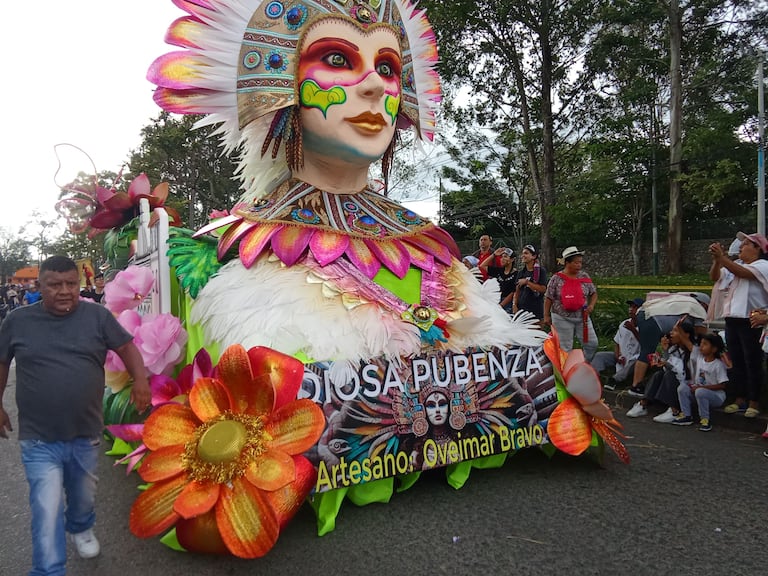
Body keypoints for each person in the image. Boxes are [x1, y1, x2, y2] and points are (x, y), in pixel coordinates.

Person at [0, 255, 151, 575]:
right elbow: (2, 362)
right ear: (39, 286)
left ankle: (81, 526)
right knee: (46, 506)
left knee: (82, 495)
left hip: (85, 432)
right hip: (38, 437)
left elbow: (126, 347)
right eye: (55, 285)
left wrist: (140, 380)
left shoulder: (96, 316)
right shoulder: (18, 321)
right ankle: (48, 570)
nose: (65, 291)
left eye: (71, 283)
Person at [709, 232, 768, 418]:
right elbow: (715, 276)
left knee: (752, 362)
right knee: (736, 361)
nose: (741, 247)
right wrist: (717, 261)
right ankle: (739, 399)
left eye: (746, 244)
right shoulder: (735, 265)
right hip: (733, 319)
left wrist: (723, 258)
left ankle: (754, 402)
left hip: (752, 320)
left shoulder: (763, 265)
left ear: (758, 248)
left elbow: (742, 273)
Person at [626, 292, 708, 397]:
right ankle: (636, 386)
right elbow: (701, 335)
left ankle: (641, 382)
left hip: (645, 312)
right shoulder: (698, 309)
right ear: (705, 305)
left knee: (648, 350)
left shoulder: (684, 301)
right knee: (647, 351)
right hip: (653, 319)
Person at [626, 323, 693, 422]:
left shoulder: (692, 351)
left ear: (686, 335)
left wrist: (667, 364)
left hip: (686, 384)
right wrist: (665, 352)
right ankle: (643, 404)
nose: (671, 334)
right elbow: (667, 366)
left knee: (669, 375)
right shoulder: (673, 349)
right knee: (659, 374)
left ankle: (674, 410)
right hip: (674, 381)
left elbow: (680, 373)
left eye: (675, 331)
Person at [543, 246, 598, 360]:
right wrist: (546, 315)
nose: (579, 265)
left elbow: (593, 293)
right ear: (567, 263)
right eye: (576, 263)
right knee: (565, 347)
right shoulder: (556, 278)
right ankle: (565, 372)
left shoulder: (584, 276)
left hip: (582, 317)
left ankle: (584, 364)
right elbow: (548, 297)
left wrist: (591, 305)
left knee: (592, 343)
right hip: (561, 318)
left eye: (580, 263)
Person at [672, 331, 729, 431]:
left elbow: (722, 385)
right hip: (699, 392)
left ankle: (705, 420)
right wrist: (679, 330)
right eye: (701, 344)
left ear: (714, 349)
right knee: (682, 387)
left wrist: (702, 387)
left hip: (716, 396)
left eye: (705, 344)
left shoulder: (718, 365)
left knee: (700, 392)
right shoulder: (699, 358)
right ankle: (686, 416)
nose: (701, 347)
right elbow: (689, 345)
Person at [592, 297, 643, 386]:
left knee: (635, 362)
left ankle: (614, 381)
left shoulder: (646, 326)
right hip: (622, 356)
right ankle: (595, 376)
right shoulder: (624, 324)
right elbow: (617, 342)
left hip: (635, 358)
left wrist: (634, 330)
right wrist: (617, 355)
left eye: (635, 307)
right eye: (630, 307)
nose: (631, 309)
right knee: (599, 356)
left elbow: (646, 344)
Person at [509, 244, 547, 321]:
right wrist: (514, 304)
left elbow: (543, 289)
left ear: (534, 256)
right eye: (522, 253)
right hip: (521, 310)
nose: (523, 255)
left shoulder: (540, 271)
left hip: (535, 311)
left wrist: (527, 282)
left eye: (526, 253)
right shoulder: (521, 273)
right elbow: (517, 291)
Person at [479, 247, 518, 313]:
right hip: (497, 300)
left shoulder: (516, 274)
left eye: (505, 257)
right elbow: (482, 265)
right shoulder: (499, 271)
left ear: (512, 259)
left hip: (508, 303)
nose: (502, 259)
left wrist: (501, 305)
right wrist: (494, 255)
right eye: (501, 257)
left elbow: (513, 292)